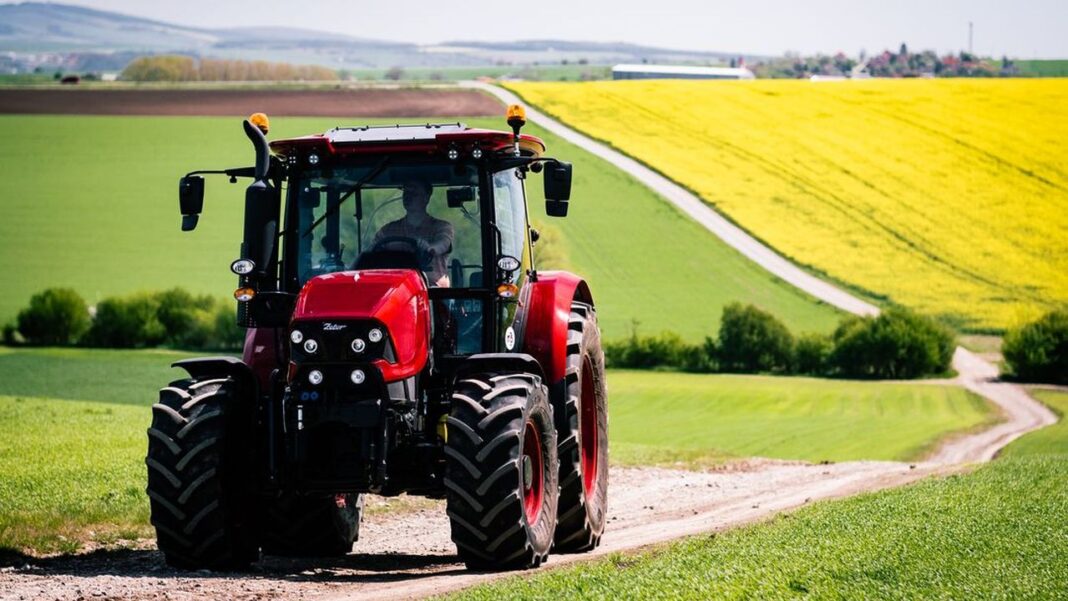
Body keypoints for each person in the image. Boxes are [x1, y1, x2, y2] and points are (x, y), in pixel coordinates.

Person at [371, 178, 454, 286]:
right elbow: (370, 250)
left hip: (433, 291)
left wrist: (430, 248)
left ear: (426, 198)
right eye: (406, 192)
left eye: (414, 192)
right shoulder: (388, 230)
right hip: (397, 290)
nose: (408, 196)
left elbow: (443, 243)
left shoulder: (441, 226)